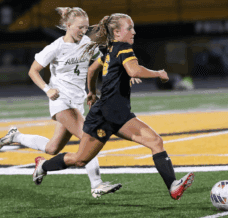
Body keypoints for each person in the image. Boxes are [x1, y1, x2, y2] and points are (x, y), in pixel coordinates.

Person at [33, 13, 195, 200]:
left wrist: (92, 92)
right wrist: (159, 73)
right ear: (117, 32)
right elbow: (133, 70)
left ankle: (173, 187)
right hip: (105, 116)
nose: (134, 32)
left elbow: (93, 69)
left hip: (118, 114)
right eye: (130, 28)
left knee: (155, 142)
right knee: (80, 159)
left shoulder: (111, 49)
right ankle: (43, 166)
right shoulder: (123, 48)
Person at [0, 7, 123, 198]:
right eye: (80, 27)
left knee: (53, 148)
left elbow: (96, 65)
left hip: (77, 102)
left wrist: (92, 91)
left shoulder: (87, 42)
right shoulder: (56, 47)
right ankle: (97, 185)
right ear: (68, 26)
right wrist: (48, 89)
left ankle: (16, 137)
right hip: (61, 101)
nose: (83, 31)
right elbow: (33, 71)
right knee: (90, 137)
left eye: (86, 27)